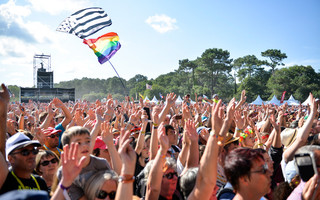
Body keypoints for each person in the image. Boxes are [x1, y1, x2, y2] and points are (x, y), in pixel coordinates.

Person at [56, 126, 111, 200]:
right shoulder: (65, 172)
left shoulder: (101, 163)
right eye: (78, 143)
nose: (85, 145)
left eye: (88, 141)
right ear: (68, 148)